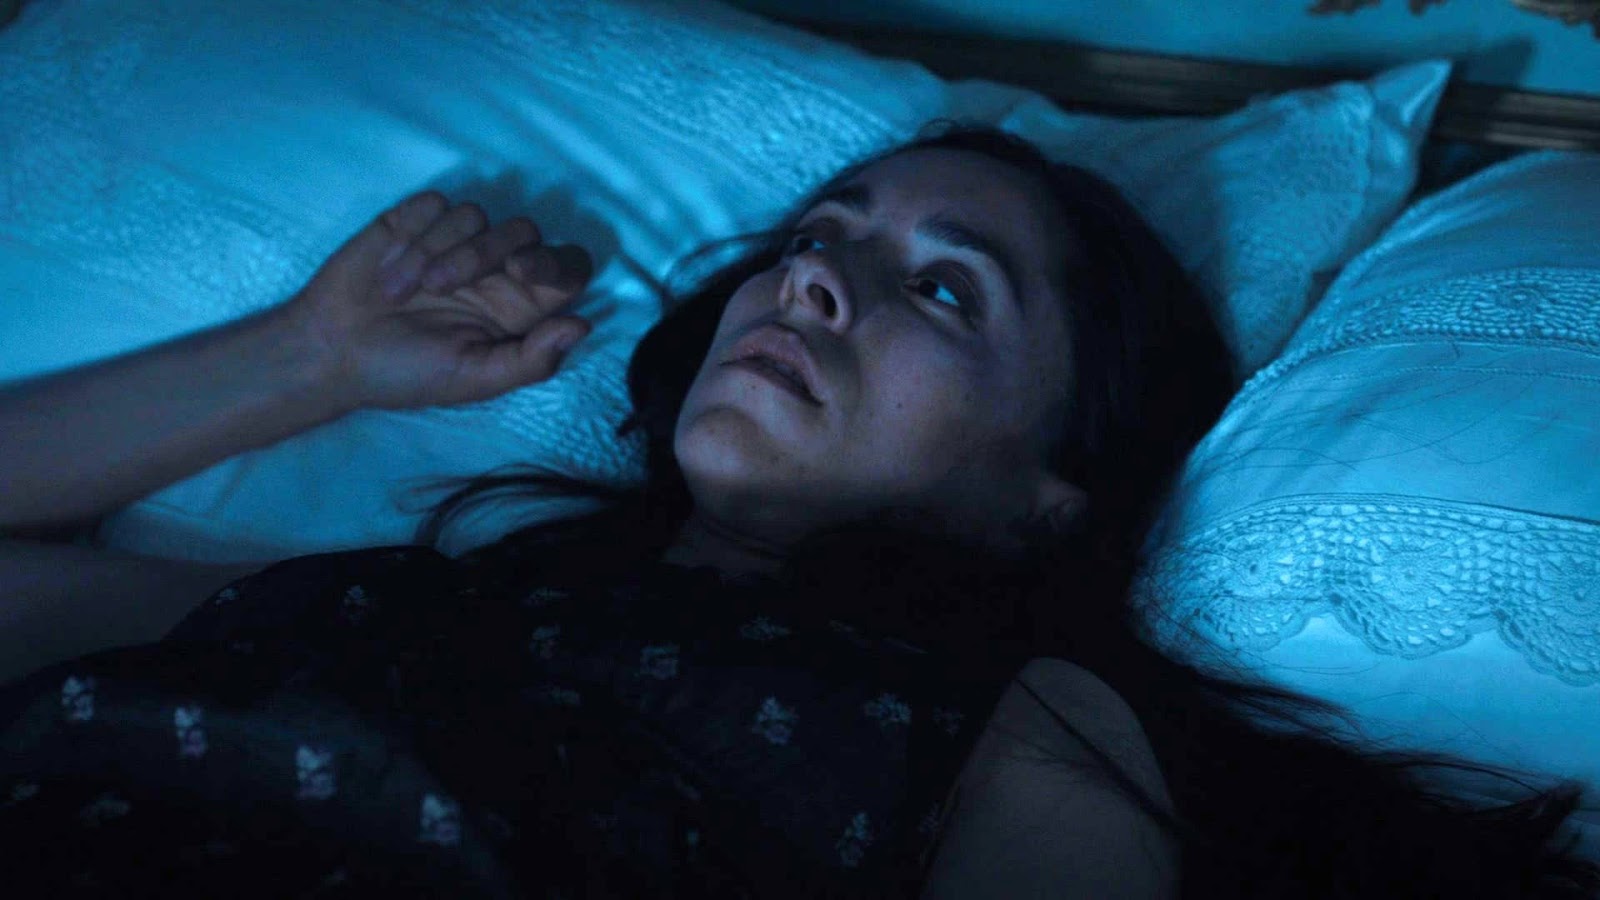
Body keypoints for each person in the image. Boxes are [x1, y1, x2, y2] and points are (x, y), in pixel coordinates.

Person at [0, 120, 1594, 898]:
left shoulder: (1021, 724)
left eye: (946, 289)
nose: (812, 277)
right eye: (819, 236)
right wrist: (309, 358)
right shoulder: (425, 591)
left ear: (1053, 493)